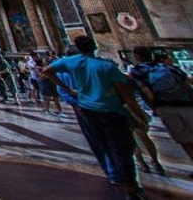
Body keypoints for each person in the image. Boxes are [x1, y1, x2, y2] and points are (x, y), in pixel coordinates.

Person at [43, 35, 148, 200]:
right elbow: (126, 94)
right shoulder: (106, 66)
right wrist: (140, 114)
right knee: (122, 147)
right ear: (95, 47)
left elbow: (47, 71)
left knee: (102, 143)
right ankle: (131, 186)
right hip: (110, 110)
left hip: (87, 109)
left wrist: (69, 90)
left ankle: (113, 174)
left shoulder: (72, 62)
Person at [129, 45, 193, 175]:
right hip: (187, 104)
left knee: (184, 139)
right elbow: (187, 84)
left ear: (137, 57)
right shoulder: (168, 67)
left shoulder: (138, 71)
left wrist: (154, 108)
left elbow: (146, 92)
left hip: (166, 107)